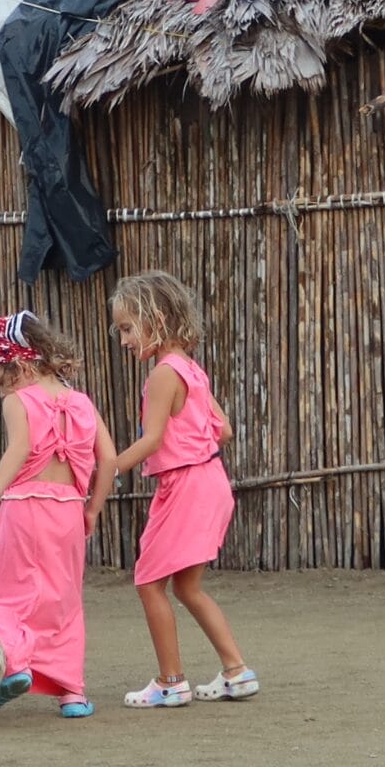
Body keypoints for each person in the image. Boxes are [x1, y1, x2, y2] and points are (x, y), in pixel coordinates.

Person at [110, 270, 255, 707]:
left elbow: (152, 439)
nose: (124, 340)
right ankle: (236, 671)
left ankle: (171, 682)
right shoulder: (192, 369)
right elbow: (224, 430)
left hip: (185, 487)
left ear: (156, 318)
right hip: (212, 481)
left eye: (128, 328)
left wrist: (105, 468)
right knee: (187, 587)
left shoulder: (161, 375)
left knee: (148, 582)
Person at [0, 310, 116, 718]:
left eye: (2, 378)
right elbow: (109, 459)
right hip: (69, 512)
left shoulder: (19, 400)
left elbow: (19, 449)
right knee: (63, 603)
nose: (1, 390)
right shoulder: (82, 402)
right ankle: (73, 694)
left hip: (23, 511)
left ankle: (14, 665)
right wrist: (93, 510)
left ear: (22, 362)